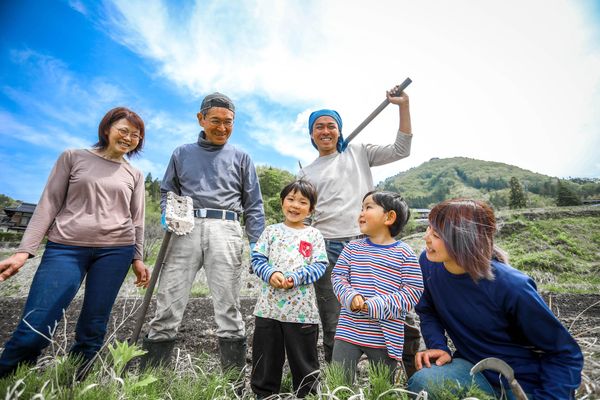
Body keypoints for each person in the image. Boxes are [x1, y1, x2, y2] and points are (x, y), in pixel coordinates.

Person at [0, 107, 150, 379]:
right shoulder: (73, 157)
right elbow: (48, 205)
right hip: (65, 248)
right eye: (123, 130)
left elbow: (137, 220)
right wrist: (24, 252)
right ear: (107, 129)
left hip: (116, 252)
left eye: (136, 135)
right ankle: (9, 381)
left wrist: (137, 259)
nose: (128, 138)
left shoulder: (135, 175)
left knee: (94, 326)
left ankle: (73, 384)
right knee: (36, 322)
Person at [408, 198, 584, 399]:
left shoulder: (512, 286)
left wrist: (551, 397)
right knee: (423, 382)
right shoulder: (428, 263)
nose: (426, 238)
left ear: (462, 241)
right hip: (473, 371)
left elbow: (564, 353)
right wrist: (438, 346)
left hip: (521, 384)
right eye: (429, 229)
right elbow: (427, 310)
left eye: (436, 234)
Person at [299, 86, 421, 375]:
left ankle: (414, 376)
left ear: (340, 131)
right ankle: (341, 384)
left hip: (371, 242)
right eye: (319, 127)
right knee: (334, 317)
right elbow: (305, 214)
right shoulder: (306, 173)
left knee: (399, 312)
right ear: (311, 134)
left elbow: (402, 150)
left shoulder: (358, 152)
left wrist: (402, 106)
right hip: (327, 247)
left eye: (332, 126)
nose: (326, 131)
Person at [141, 92, 265, 375]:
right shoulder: (181, 153)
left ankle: (231, 382)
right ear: (201, 119)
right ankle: (152, 380)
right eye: (215, 121)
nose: (222, 128)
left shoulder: (242, 157)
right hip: (184, 229)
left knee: (228, 306)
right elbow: (167, 191)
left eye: (229, 122)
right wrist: (167, 213)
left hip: (227, 228)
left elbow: (254, 205)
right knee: (168, 304)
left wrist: (257, 244)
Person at [331, 190, 423, 382]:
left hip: (385, 335)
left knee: (383, 386)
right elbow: (338, 277)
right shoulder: (352, 248)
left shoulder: (404, 253)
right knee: (338, 381)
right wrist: (350, 296)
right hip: (349, 328)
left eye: (368, 207)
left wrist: (375, 305)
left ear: (389, 217)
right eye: (361, 208)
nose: (361, 213)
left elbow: (412, 291)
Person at [250, 180, 328, 398]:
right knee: (266, 358)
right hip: (269, 310)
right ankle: (264, 394)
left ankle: (308, 394)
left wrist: (295, 277)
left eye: (303, 202)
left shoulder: (313, 235)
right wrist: (271, 274)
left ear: (311, 209)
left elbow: (320, 265)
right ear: (282, 202)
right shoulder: (271, 232)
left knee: (304, 360)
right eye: (291, 199)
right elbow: (257, 259)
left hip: (302, 312)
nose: (295, 205)